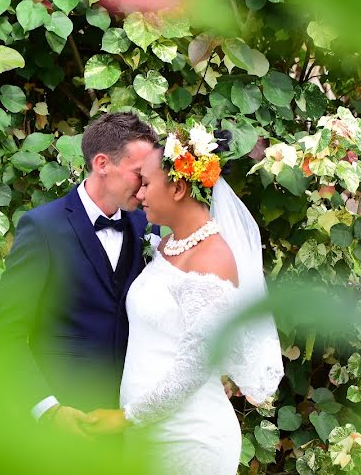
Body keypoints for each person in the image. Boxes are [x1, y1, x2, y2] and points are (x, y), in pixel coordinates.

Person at [82, 122, 284, 474]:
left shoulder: (212, 259)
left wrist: (125, 418)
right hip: (149, 434)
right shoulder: (167, 244)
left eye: (146, 183)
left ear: (177, 187)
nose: (139, 194)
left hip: (189, 439)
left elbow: (195, 367)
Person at [0, 111, 158, 436]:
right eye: (139, 173)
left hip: (129, 423)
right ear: (102, 164)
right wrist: (48, 408)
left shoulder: (148, 227)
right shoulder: (42, 228)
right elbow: (6, 335)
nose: (144, 187)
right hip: (63, 426)